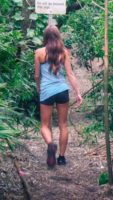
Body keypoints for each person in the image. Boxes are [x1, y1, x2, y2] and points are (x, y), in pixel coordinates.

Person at [34, 25, 82, 168]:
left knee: (44, 125)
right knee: (63, 125)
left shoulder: (39, 53)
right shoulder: (64, 52)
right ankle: (61, 158)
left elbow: (37, 75)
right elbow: (70, 74)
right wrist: (78, 93)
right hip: (62, 90)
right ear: (58, 36)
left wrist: (38, 87)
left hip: (47, 91)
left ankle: (50, 144)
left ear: (45, 36)